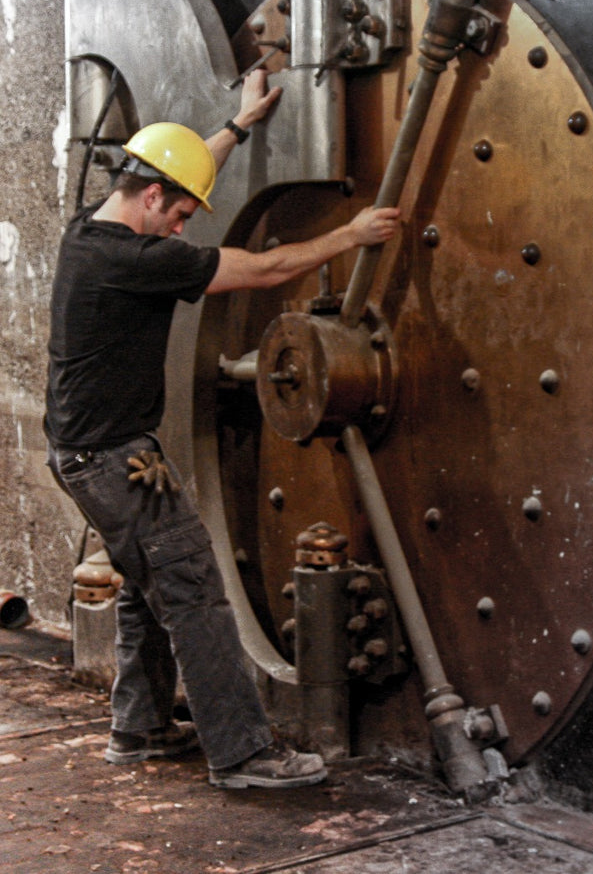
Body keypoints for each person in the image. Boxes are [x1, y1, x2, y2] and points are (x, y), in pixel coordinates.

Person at [44, 70, 401, 788]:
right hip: (116, 460)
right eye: (179, 215)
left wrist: (238, 125)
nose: (184, 225)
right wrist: (352, 234)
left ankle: (140, 727)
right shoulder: (139, 261)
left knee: (152, 584)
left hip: (84, 455)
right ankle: (244, 753)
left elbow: (173, 169)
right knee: (194, 588)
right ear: (151, 200)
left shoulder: (92, 227)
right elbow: (266, 269)